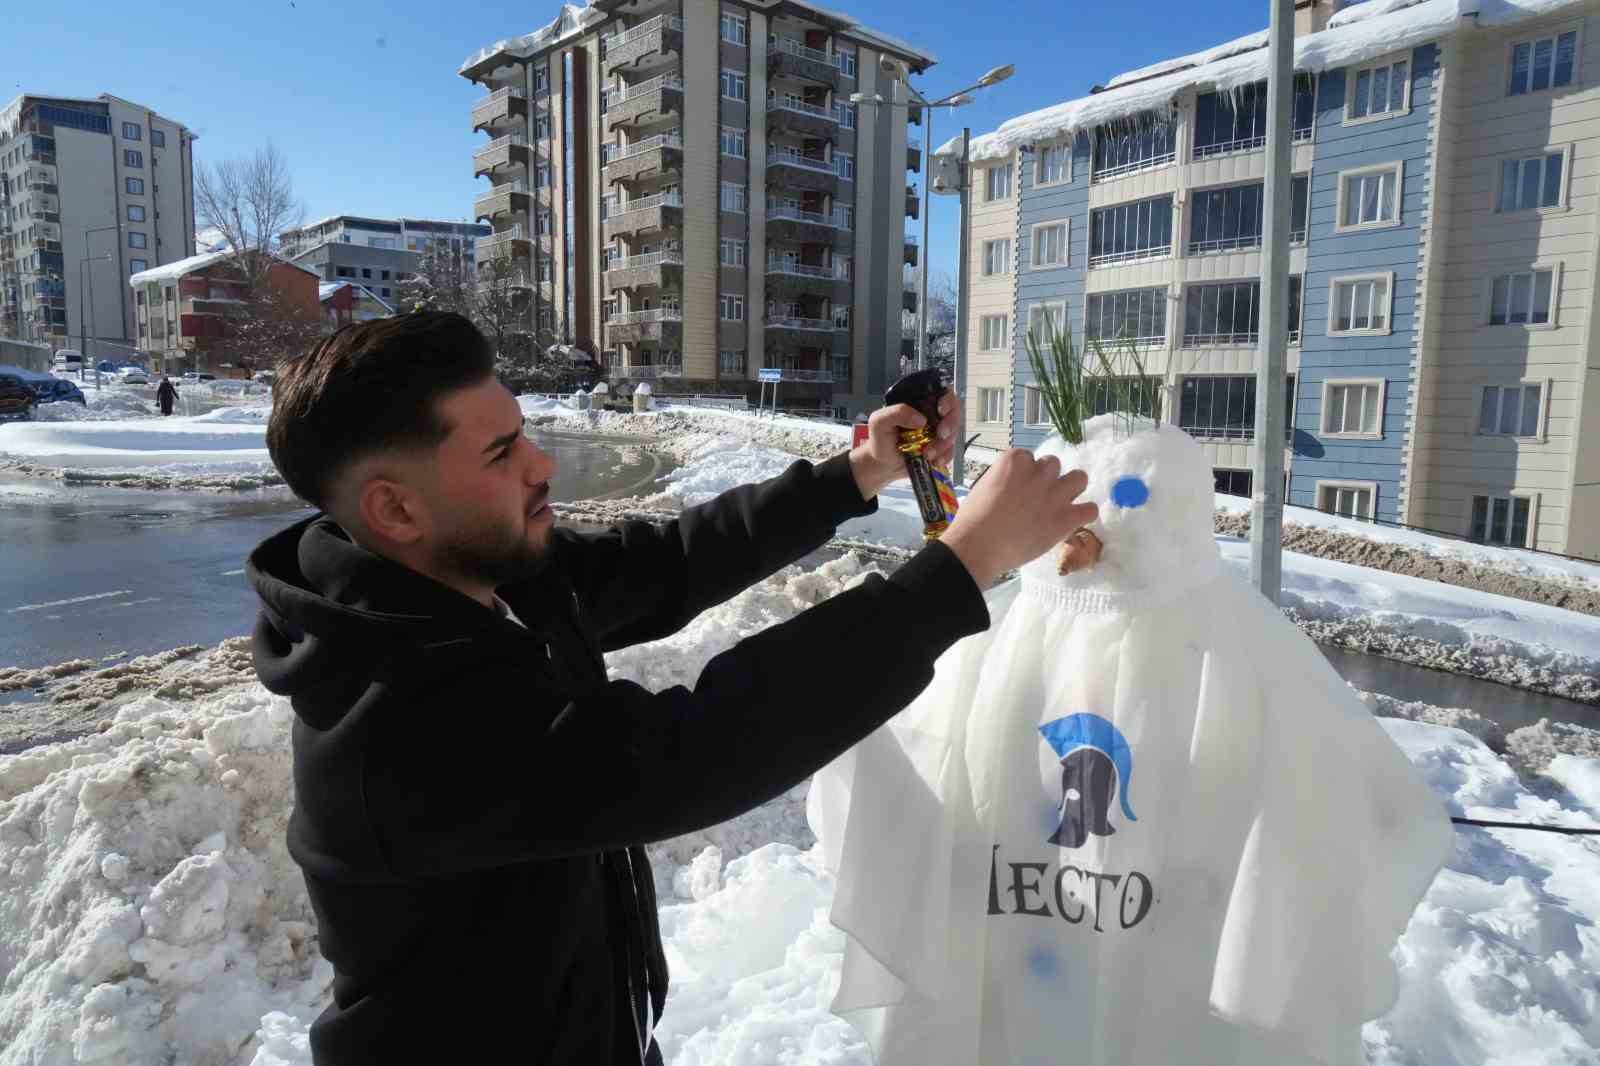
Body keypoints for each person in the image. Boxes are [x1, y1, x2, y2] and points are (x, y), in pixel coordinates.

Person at [246, 311, 1097, 1066]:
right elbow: (697, 749)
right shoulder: (396, 725)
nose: (542, 463)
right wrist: (960, 569)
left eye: (523, 431)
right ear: (395, 510)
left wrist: (858, 474)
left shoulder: (469, 576)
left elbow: (667, 564)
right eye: (502, 452)